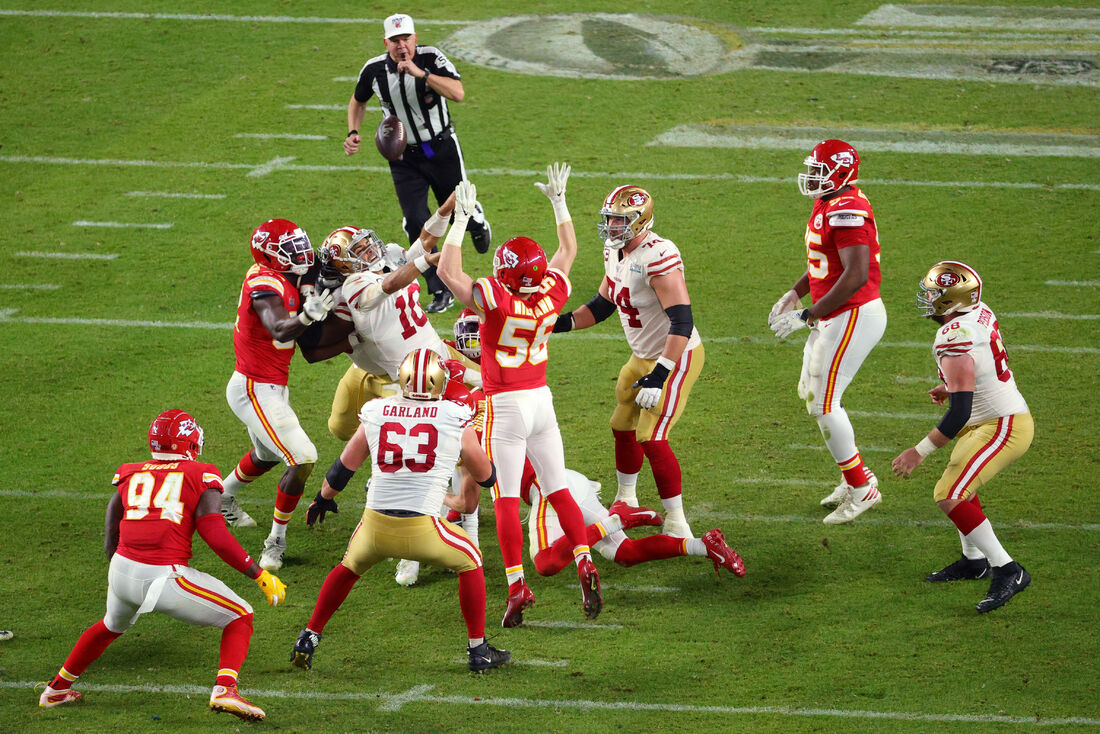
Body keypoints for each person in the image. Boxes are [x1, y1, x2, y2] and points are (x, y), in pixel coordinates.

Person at [38, 410, 287, 720]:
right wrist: (258, 573)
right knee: (240, 615)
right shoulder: (200, 473)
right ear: (190, 442)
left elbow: (111, 528)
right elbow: (214, 534)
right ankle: (225, 689)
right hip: (162, 576)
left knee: (110, 626)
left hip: (121, 567)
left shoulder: (131, 472)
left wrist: (122, 567)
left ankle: (56, 690)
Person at [437, 168, 604, 627]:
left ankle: (516, 587)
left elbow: (447, 270)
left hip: (504, 404)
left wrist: (460, 220)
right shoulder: (553, 292)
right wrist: (560, 202)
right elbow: (567, 252)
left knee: (507, 500)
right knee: (555, 487)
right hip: (541, 401)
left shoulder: (495, 296)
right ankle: (585, 560)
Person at [289, 348, 510, 673]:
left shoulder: (378, 411)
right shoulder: (453, 416)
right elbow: (486, 477)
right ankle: (478, 650)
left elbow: (343, 467)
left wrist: (323, 498)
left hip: (374, 526)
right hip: (423, 529)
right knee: (471, 560)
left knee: (347, 568)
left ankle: (309, 637)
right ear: (439, 383)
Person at [552, 185, 704, 538]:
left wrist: (660, 375)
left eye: (620, 221)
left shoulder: (658, 256)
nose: (612, 227)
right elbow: (604, 303)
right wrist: (562, 323)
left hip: (675, 355)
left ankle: (678, 523)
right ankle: (627, 498)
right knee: (621, 424)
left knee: (652, 436)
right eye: (610, 220)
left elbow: (682, 321)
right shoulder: (614, 250)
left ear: (641, 220)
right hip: (642, 356)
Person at [892, 262, 1033, 613]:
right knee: (959, 486)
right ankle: (973, 561)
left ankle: (1008, 569)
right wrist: (952, 385)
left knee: (948, 494)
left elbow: (960, 413)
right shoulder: (978, 313)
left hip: (1003, 425)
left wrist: (918, 451)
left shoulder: (953, 336)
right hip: (994, 416)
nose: (927, 298)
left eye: (934, 294)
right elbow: (981, 363)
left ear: (952, 300)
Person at [768, 139, 887, 524]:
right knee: (812, 393)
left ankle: (861, 488)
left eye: (820, 170)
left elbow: (854, 275)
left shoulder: (848, 209)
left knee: (823, 401)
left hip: (852, 313)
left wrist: (807, 315)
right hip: (834, 313)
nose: (813, 177)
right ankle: (855, 476)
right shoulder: (829, 202)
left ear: (841, 173)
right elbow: (825, 261)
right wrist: (795, 292)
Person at [343, 12, 491, 314]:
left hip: (441, 147)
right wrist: (353, 132)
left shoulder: (432, 59)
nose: (401, 46)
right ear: (386, 42)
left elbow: (458, 94)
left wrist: (420, 74)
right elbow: (358, 100)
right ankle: (438, 288)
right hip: (403, 157)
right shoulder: (374, 70)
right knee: (414, 220)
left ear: (415, 39)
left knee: (458, 205)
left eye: (406, 39)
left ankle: (476, 219)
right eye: (395, 40)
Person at [298, 199, 481, 443]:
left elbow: (425, 240)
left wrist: (447, 207)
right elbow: (389, 284)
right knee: (340, 428)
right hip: (379, 370)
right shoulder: (353, 284)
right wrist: (425, 262)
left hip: (424, 363)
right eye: (359, 250)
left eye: (367, 244)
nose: (370, 250)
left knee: (490, 394)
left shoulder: (390, 259)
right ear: (344, 263)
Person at [219, 219, 335, 572]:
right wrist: (307, 314)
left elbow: (314, 265)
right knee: (302, 458)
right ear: (269, 257)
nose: (300, 254)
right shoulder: (264, 283)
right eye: (290, 250)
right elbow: (278, 326)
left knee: (266, 453)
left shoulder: (284, 270)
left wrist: (312, 288)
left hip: (268, 384)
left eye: (300, 244)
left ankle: (218, 499)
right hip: (254, 387)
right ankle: (275, 543)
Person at [526, 468, 745, 580]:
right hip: (570, 482)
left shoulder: (494, 425)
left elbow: (499, 495)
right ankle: (705, 545)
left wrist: (515, 578)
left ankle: (618, 520)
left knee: (547, 562)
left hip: (547, 488)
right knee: (624, 553)